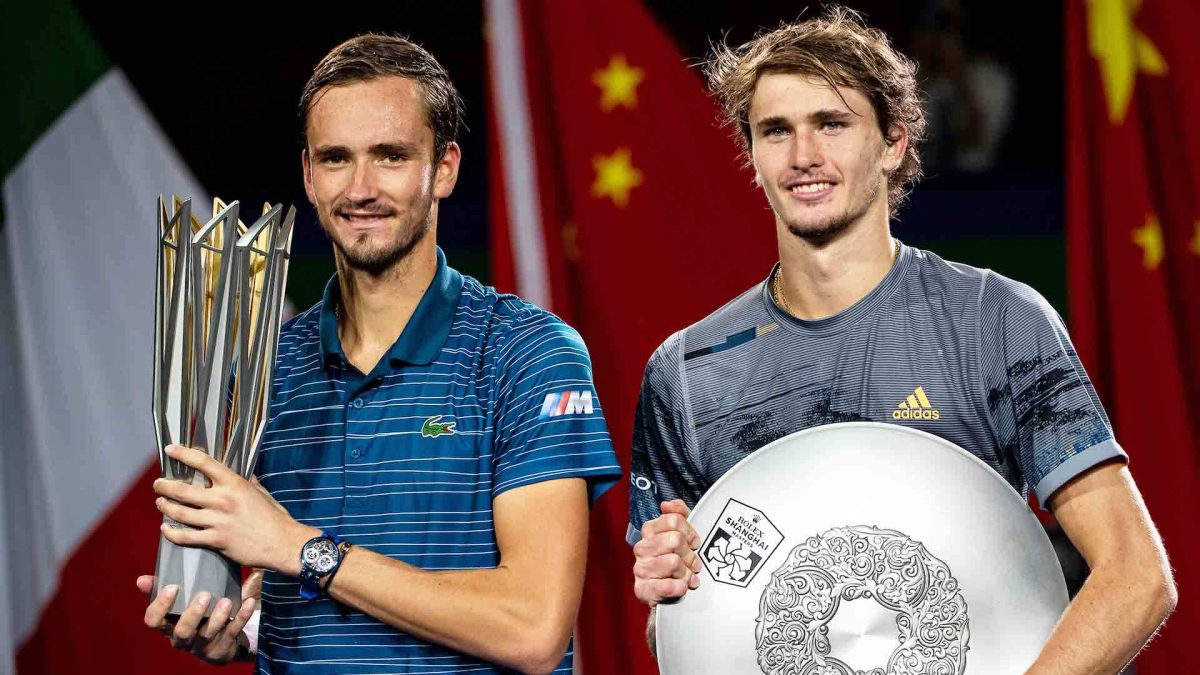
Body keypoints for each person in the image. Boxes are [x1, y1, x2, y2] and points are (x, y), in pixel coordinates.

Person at [628, 7, 1175, 672]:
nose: (803, 157)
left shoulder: (993, 319)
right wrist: (670, 597)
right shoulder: (686, 372)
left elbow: (1136, 572)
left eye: (831, 124)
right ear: (752, 154)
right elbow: (685, 632)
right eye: (776, 131)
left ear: (892, 142)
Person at [138, 33, 623, 674]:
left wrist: (297, 548)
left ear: (443, 168)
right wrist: (236, 626)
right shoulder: (263, 371)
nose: (360, 188)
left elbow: (531, 628)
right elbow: (280, 587)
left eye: (390, 156)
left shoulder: (528, 352)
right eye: (337, 159)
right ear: (309, 175)